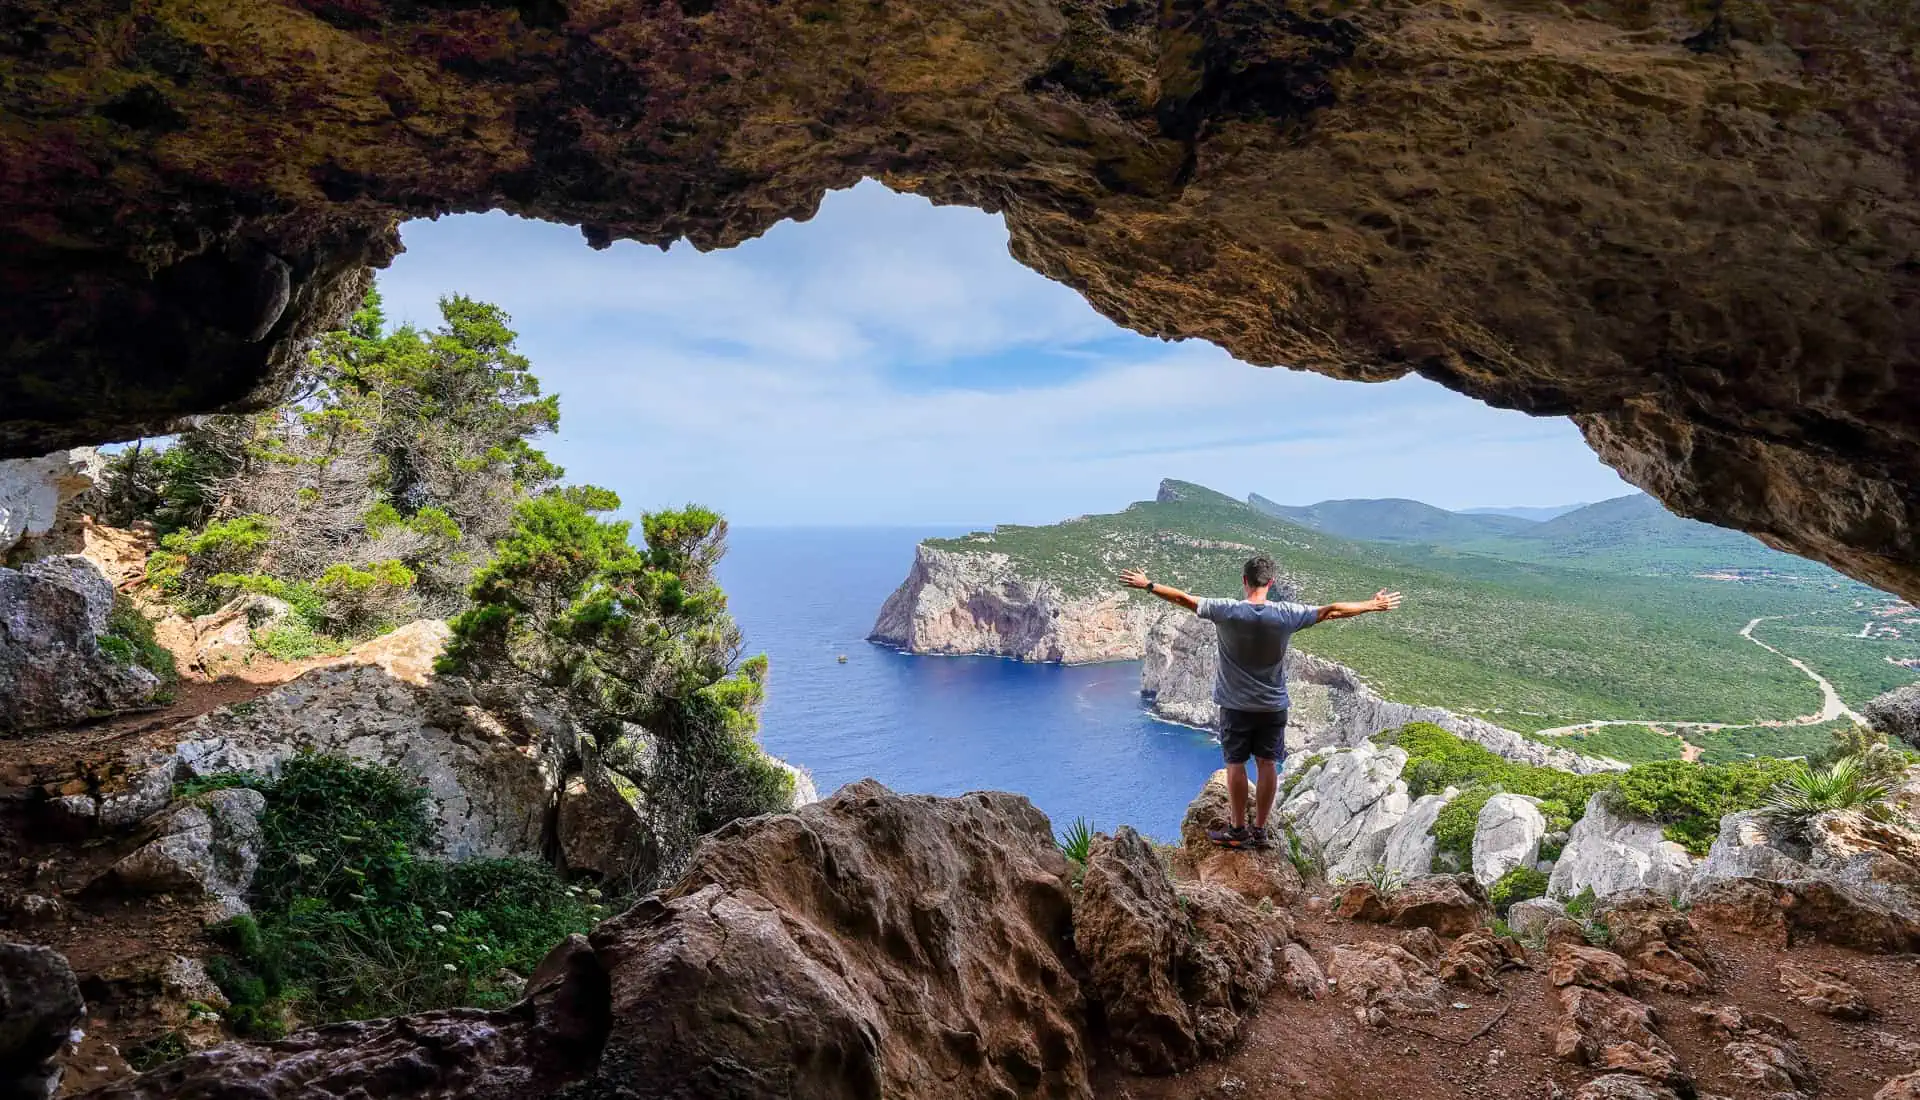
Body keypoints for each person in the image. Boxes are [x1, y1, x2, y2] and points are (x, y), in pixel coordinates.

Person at [1118, 557, 1401, 849]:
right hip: (1273, 706)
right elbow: (1333, 610)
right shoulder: (1287, 614)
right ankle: (1260, 830)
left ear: (1244, 580)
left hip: (1235, 707)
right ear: (1271, 583)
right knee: (1267, 765)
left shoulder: (1225, 610)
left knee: (1235, 765)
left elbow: (1182, 598)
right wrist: (1372, 604)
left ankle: (1238, 830)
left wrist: (1148, 585)